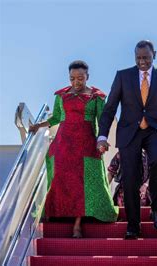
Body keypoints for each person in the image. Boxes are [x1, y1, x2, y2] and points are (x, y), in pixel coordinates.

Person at [97, 40, 157, 240]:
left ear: (154, 54)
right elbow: (110, 107)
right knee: (130, 178)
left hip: (154, 130)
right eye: (138, 58)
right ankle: (133, 225)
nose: (142, 62)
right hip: (129, 132)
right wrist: (102, 135)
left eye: (146, 57)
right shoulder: (123, 76)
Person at [29, 60, 118, 238]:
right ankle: (56, 215)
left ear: (87, 77)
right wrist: (39, 125)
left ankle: (78, 224)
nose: (76, 82)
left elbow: (103, 121)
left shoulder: (97, 97)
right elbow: (56, 118)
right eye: (72, 78)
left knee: (83, 183)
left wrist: (102, 141)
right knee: (61, 178)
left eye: (80, 78)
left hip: (86, 145)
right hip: (63, 143)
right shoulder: (61, 96)